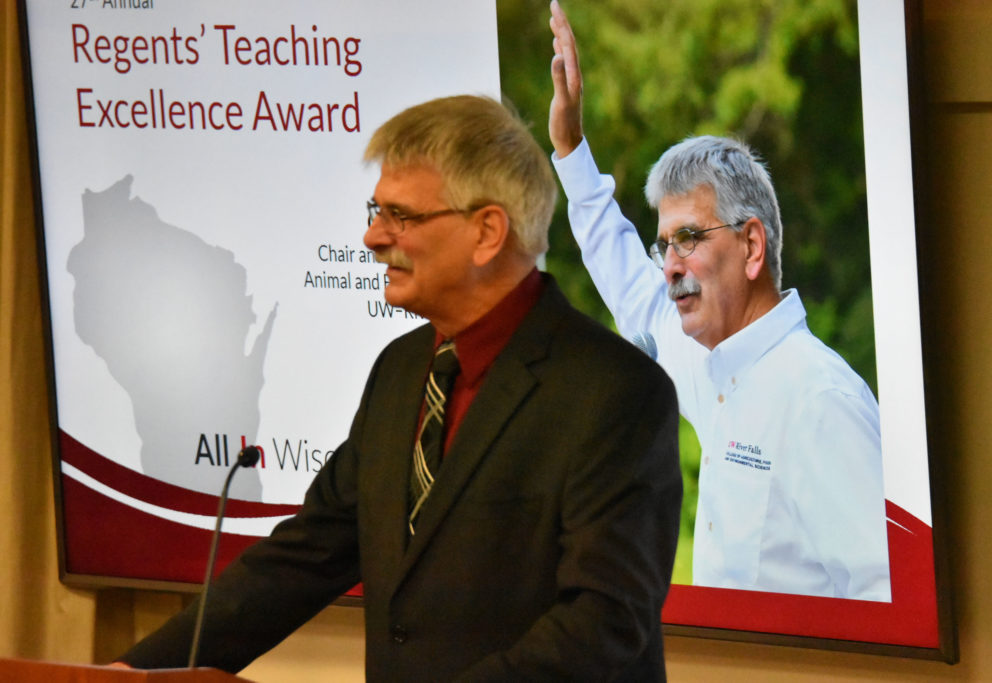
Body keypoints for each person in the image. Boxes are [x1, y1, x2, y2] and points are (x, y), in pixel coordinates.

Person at [116, 94, 682, 681]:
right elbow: (305, 557)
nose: (372, 236)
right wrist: (128, 674)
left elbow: (602, 623)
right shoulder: (401, 369)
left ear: (487, 232)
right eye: (374, 210)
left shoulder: (618, 393)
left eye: (401, 216)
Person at [547, 0, 889, 601]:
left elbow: (888, 599)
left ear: (752, 245)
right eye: (664, 245)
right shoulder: (714, 363)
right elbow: (627, 280)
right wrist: (572, 149)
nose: (670, 265)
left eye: (688, 238)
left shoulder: (819, 400)